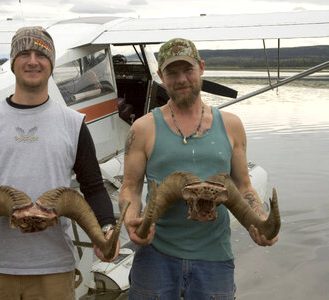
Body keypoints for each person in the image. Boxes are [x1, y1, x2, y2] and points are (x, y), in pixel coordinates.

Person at [0, 26, 119, 300]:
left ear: (51, 63)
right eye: (24, 53)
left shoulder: (73, 123)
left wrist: (107, 227)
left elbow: (93, 187)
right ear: (13, 62)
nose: (33, 60)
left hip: (53, 270)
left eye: (41, 54)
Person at [119, 38, 279, 299]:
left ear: (201, 67)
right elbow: (130, 187)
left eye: (188, 70)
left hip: (214, 259)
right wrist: (130, 219)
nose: (181, 79)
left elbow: (243, 185)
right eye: (172, 72)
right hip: (155, 257)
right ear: (161, 76)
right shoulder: (143, 128)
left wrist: (261, 221)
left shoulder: (231, 125)